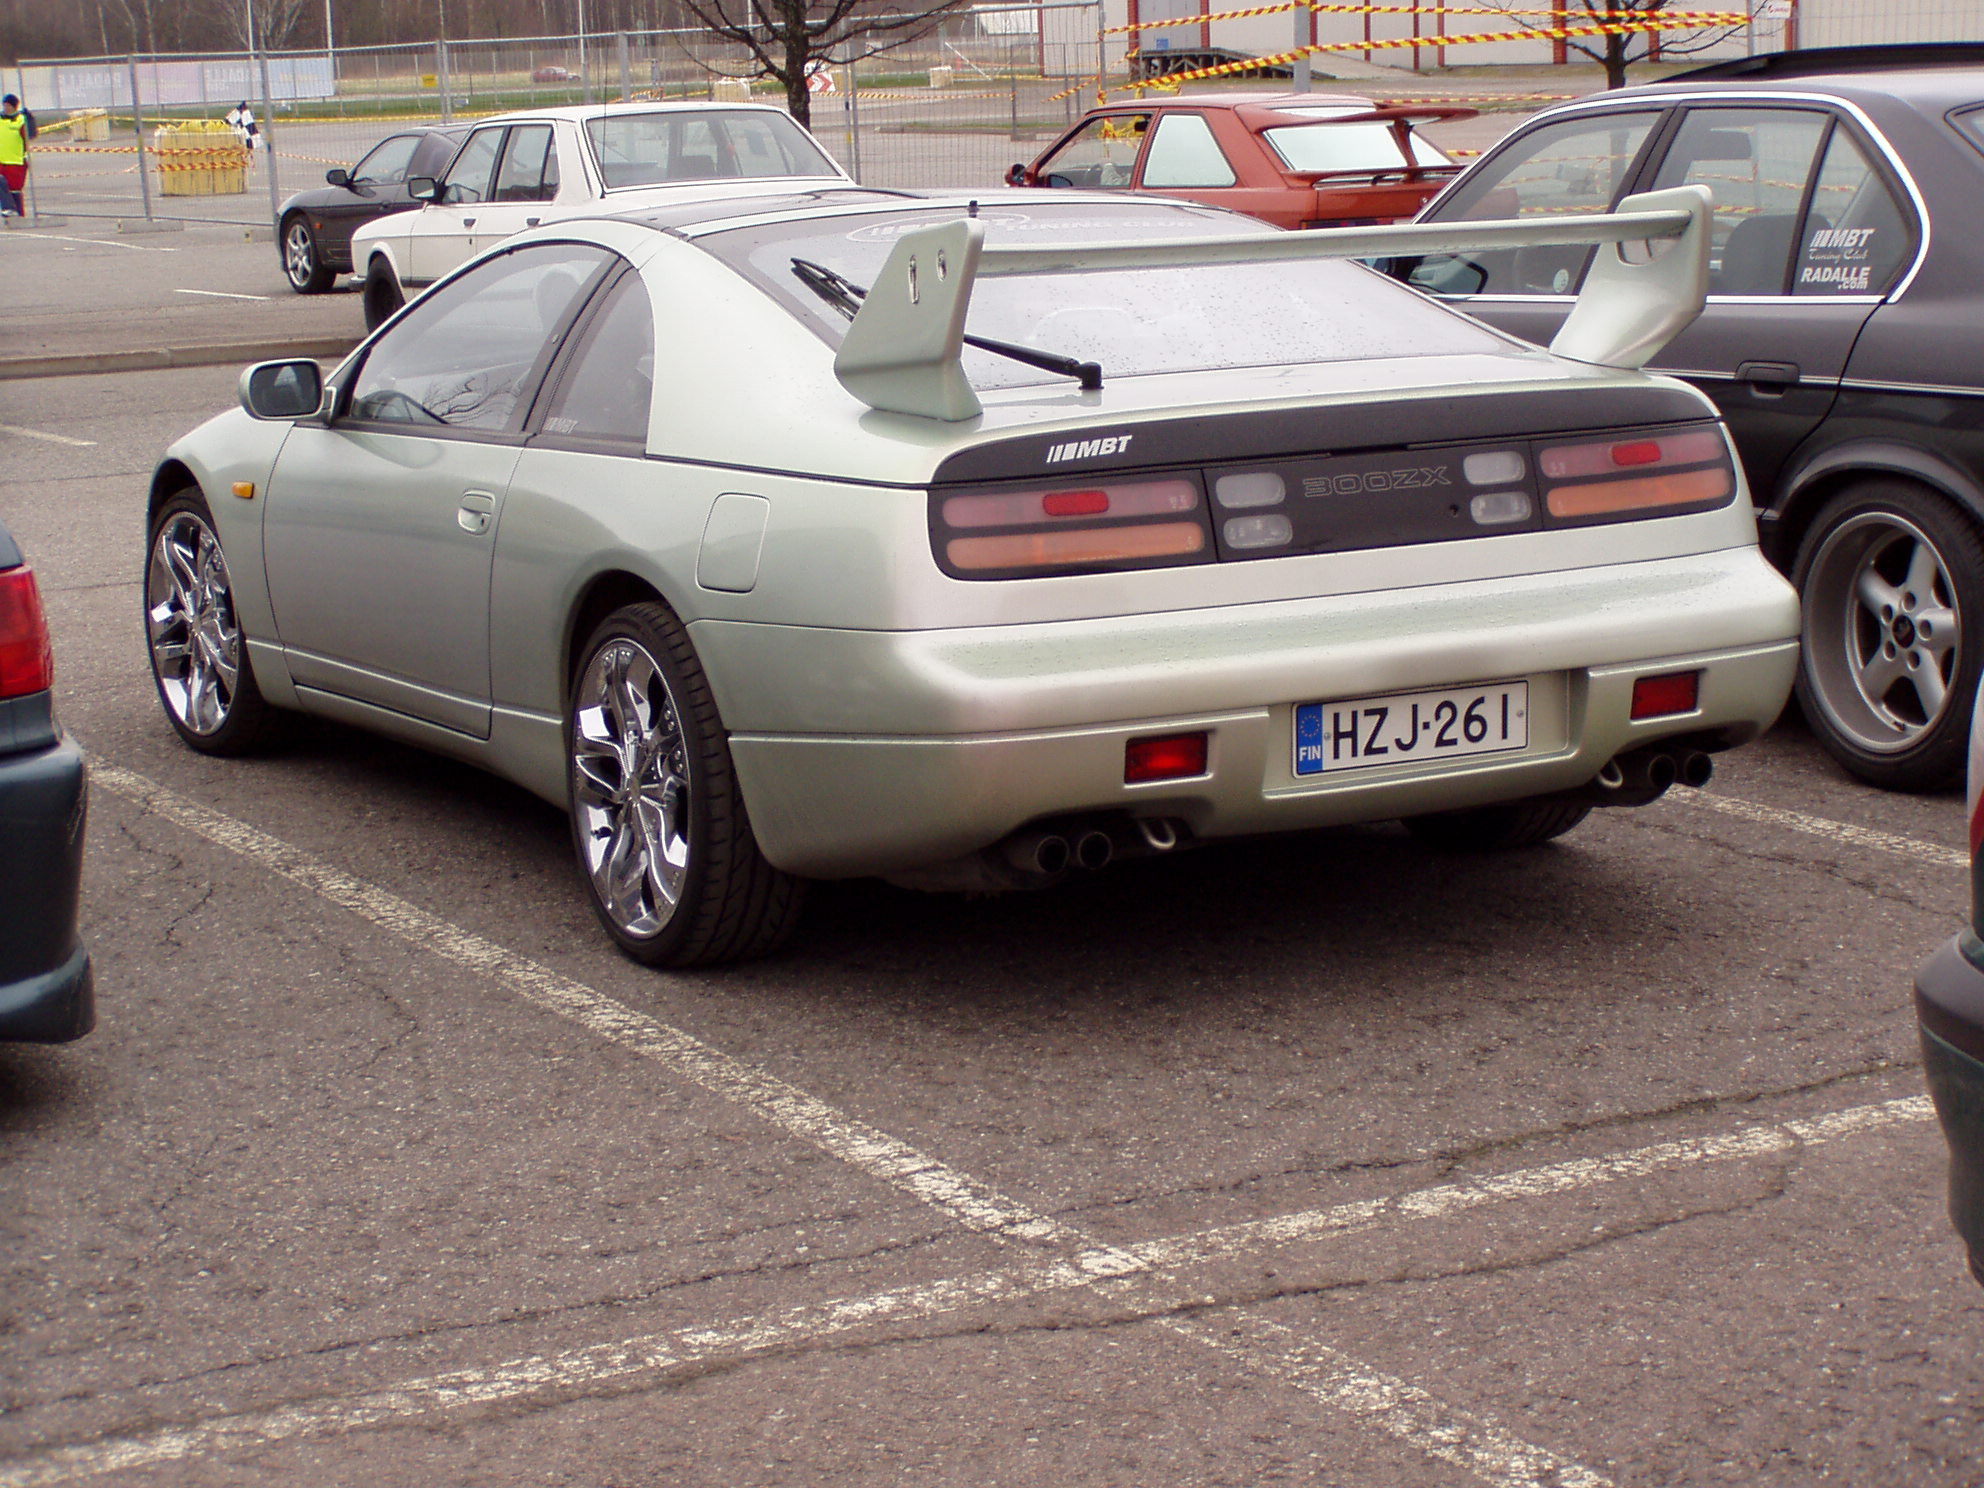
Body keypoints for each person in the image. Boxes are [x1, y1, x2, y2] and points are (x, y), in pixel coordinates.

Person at [0, 95, 32, 218]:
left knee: (14, 191)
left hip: (15, 162)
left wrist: (30, 122)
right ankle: (9, 208)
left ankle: (18, 216)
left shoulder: (20, 120)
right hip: (1, 161)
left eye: (9, 106)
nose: (6, 108)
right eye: (5, 105)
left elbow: (31, 136)